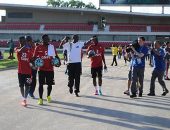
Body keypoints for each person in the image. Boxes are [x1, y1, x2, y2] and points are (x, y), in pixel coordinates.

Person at [33, 34, 61, 105]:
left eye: (48, 39)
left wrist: (58, 62)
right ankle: (40, 99)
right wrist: (37, 61)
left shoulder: (52, 47)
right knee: (41, 84)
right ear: (43, 40)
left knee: (50, 84)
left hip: (50, 69)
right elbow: (34, 58)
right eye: (46, 39)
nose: (48, 40)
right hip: (41, 69)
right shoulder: (38, 47)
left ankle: (48, 96)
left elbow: (56, 56)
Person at [15, 36, 32, 107]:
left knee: (28, 86)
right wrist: (24, 47)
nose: (24, 42)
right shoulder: (17, 48)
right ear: (19, 42)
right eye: (22, 41)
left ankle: (25, 99)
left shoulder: (29, 50)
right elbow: (19, 51)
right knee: (21, 86)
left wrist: (34, 64)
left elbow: (31, 60)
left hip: (28, 72)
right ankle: (23, 98)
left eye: (25, 41)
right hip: (20, 72)